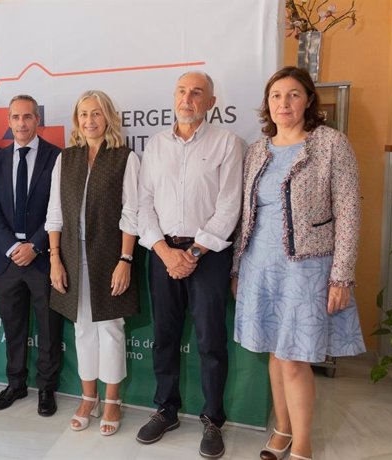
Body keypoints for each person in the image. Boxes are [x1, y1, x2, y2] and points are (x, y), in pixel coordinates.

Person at [231, 66, 365, 460]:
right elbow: (246, 214)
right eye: (275, 96)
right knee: (275, 351)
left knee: (294, 358)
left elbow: (349, 212)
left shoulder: (330, 144)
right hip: (260, 264)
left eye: (292, 95)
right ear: (267, 105)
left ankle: (302, 441)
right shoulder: (258, 149)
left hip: (307, 267)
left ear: (308, 100)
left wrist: (342, 275)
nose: (283, 103)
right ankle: (282, 430)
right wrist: (238, 267)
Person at [136, 71, 244, 458]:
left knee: (210, 340)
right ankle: (166, 409)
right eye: (182, 91)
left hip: (209, 256)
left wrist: (194, 253)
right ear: (174, 98)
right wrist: (165, 251)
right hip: (163, 253)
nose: (188, 98)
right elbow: (143, 204)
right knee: (164, 337)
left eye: (197, 93)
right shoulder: (155, 145)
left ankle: (213, 418)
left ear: (211, 102)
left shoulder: (229, 144)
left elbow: (230, 206)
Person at [46, 90, 140, 436]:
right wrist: (55, 259)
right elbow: (54, 212)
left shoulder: (124, 158)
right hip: (71, 254)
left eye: (96, 114)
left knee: (111, 328)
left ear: (108, 118)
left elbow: (132, 214)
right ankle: (88, 397)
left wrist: (125, 259)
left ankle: (112, 400)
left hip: (109, 257)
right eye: (83, 114)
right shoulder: (66, 159)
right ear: (76, 119)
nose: (89, 121)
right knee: (82, 327)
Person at [0, 95, 63, 416]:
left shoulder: (57, 157)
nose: (21, 123)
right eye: (15, 117)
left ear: (37, 120)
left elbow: (61, 208)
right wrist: (11, 247)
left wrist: (35, 245)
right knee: (13, 327)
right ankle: (15, 383)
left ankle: (46, 388)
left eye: (27, 117)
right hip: (6, 260)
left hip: (42, 258)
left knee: (48, 327)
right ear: (8, 121)